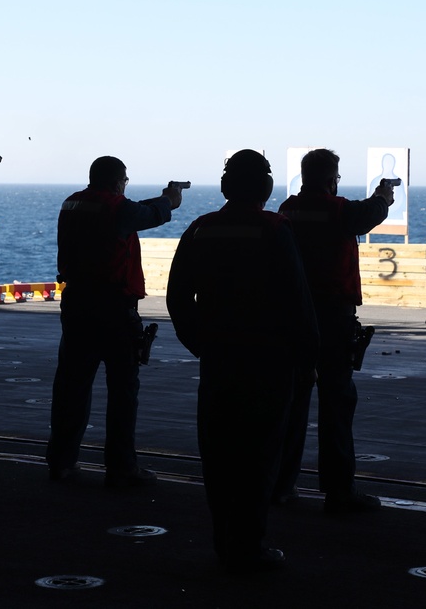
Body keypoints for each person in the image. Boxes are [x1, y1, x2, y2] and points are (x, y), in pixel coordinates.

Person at [166, 150, 318, 572]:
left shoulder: (200, 229)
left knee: (219, 457)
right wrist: (307, 357)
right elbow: (298, 301)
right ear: (266, 188)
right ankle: (248, 546)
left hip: (219, 361)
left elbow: (178, 298)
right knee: (260, 456)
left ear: (225, 186)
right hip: (269, 364)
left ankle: (224, 542)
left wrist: (201, 344)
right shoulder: (274, 229)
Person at [46, 156, 182, 487]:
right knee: (122, 390)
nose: (125, 186)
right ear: (117, 181)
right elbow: (148, 214)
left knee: (72, 386)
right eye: (125, 181)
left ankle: (61, 461)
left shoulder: (73, 203)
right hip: (113, 310)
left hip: (78, 305)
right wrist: (170, 200)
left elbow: (127, 210)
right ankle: (121, 466)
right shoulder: (117, 209)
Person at [274, 148, 393, 513]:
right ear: (331, 179)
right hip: (332, 316)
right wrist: (383, 196)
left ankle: (281, 485)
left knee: (292, 401)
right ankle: (339, 490)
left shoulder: (287, 210)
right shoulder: (338, 210)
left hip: (293, 316)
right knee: (337, 401)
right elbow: (367, 215)